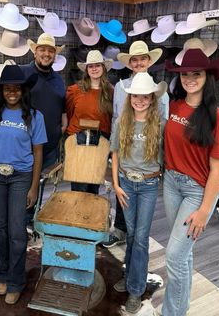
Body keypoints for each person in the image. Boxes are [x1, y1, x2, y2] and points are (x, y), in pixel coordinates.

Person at [161, 48, 219, 316]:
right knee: (184, 252)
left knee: (174, 256)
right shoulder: (174, 106)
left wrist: (204, 209)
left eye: (196, 74)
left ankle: (172, 313)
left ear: (207, 77)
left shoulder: (217, 119)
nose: (190, 78)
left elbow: (218, 171)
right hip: (171, 183)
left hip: (195, 191)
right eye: (185, 74)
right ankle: (182, 307)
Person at [0, 65, 47, 305]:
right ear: (2, 91)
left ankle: (17, 281)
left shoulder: (35, 116)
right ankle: (4, 275)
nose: (12, 92)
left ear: (23, 91)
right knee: (2, 228)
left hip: (21, 177)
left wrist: (34, 187)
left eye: (16, 89)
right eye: (8, 88)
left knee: (18, 232)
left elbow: (38, 152)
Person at [104, 40, 169, 249]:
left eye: (143, 59)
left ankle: (130, 235)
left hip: (144, 159)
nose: (139, 62)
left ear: (149, 61)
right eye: (135, 59)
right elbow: (116, 117)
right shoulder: (121, 88)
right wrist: (115, 146)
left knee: (137, 208)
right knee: (122, 191)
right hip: (123, 150)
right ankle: (121, 230)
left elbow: (160, 127)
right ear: (129, 63)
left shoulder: (160, 94)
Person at [111, 72, 167, 314]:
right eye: (136, 96)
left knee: (140, 237)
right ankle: (132, 275)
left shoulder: (160, 125)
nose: (140, 100)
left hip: (147, 185)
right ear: (130, 96)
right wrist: (115, 184)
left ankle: (135, 288)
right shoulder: (122, 122)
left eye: (145, 96)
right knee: (132, 234)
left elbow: (167, 156)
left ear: (152, 98)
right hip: (125, 182)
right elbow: (114, 154)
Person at [21, 33, 67, 223]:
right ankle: (22, 221)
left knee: (40, 182)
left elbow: (62, 106)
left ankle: (32, 218)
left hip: (49, 143)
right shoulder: (23, 73)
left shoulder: (58, 80)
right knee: (23, 183)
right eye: (42, 50)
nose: (46, 54)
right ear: (35, 52)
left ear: (55, 55)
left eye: (50, 50)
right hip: (25, 143)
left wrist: (63, 125)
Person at [66, 50, 114, 194]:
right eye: (90, 66)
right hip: (78, 140)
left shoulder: (110, 91)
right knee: (79, 186)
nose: (94, 68)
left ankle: (89, 216)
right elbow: (69, 113)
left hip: (101, 141)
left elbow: (111, 118)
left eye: (97, 65)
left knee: (94, 186)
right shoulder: (74, 90)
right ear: (86, 69)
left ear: (103, 68)